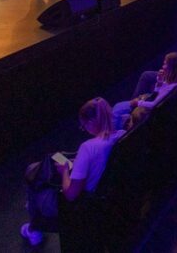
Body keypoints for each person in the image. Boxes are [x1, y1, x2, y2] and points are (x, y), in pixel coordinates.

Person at [21, 98, 123, 245]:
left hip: (80, 204)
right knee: (36, 169)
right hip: (105, 193)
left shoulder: (88, 147)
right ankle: (33, 213)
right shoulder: (120, 134)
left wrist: (64, 171)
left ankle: (33, 230)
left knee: (33, 179)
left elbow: (70, 194)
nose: (84, 129)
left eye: (84, 125)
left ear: (92, 122)